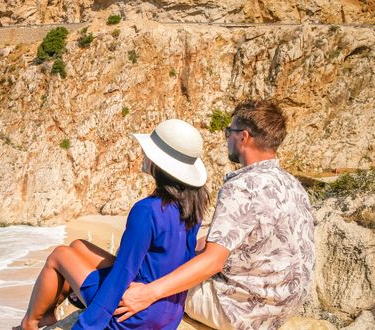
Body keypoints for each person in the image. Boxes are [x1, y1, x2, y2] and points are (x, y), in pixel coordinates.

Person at [113, 101, 316, 329]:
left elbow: (213, 261)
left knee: (148, 268)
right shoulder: (292, 184)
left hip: (241, 310)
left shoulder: (243, 187)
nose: (226, 138)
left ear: (243, 137)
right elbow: (236, 239)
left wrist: (148, 293)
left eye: (229, 132)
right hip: (281, 307)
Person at [20, 119, 211, 329]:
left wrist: (86, 325)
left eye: (148, 150)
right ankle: (48, 314)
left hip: (135, 314)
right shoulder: (192, 208)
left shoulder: (147, 210)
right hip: (167, 311)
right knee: (78, 246)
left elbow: (123, 272)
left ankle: (30, 323)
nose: (143, 153)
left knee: (59, 255)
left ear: (160, 164)